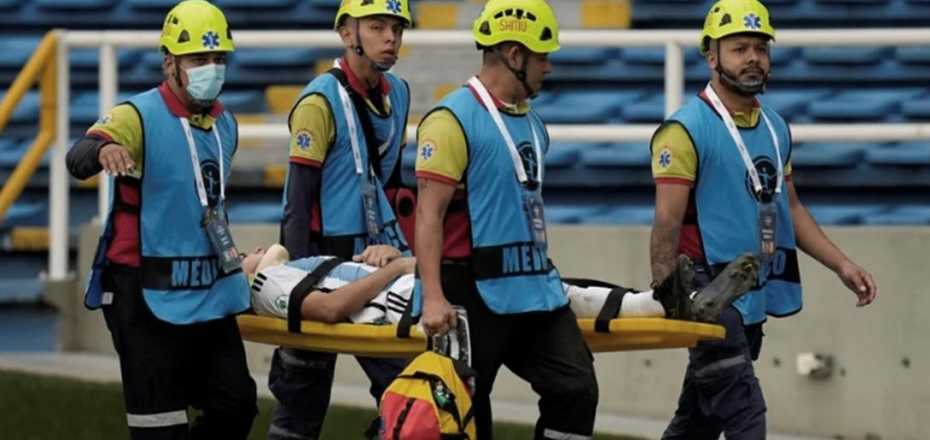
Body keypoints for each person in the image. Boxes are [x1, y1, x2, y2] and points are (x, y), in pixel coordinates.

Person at [647, 0, 880, 438]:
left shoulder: (774, 127)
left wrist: (841, 265)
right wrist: (670, 294)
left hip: (750, 293)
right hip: (707, 294)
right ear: (711, 55)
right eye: (739, 48)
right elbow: (666, 224)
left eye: (761, 47)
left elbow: (789, 207)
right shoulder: (683, 130)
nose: (754, 57)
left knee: (697, 422)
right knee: (745, 415)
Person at [64, 1, 256, 438]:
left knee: (236, 407)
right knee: (160, 427)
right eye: (199, 59)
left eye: (218, 59)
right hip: (141, 289)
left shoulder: (226, 124)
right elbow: (77, 157)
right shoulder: (137, 115)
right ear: (170, 62)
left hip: (207, 288)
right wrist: (102, 150)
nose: (211, 68)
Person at [413, 1, 603, 438]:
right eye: (542, 56)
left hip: (535, 287)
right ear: (515, 56)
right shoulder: (450, 120)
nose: (549, 67)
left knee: (576, 388)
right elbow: (428, 214)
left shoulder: (534, 124)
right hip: (468, 289)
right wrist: (434, 298)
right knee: (466, 416)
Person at [268, 0, 414, 438]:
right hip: (320, 265)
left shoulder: (400, 93)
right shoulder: (317, 101)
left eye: (396, 27)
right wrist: (294, 281)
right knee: (300, 402)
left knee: (409, 386)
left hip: (377, 263)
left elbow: (390, 185)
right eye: (376, 26)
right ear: (348, 34)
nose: (390, 37)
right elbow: (298, 200)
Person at [242, 244, 760, 326]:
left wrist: (381, 254)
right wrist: (398, 269)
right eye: (240, 257)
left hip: (411, 281)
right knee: (541, 288)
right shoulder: (265, 282)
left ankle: (662, 304)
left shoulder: (303, 260)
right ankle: (663, 305)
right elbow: (329, 311)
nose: (246, 253)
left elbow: (348, 282)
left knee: (547, 283)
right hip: (412, 299)